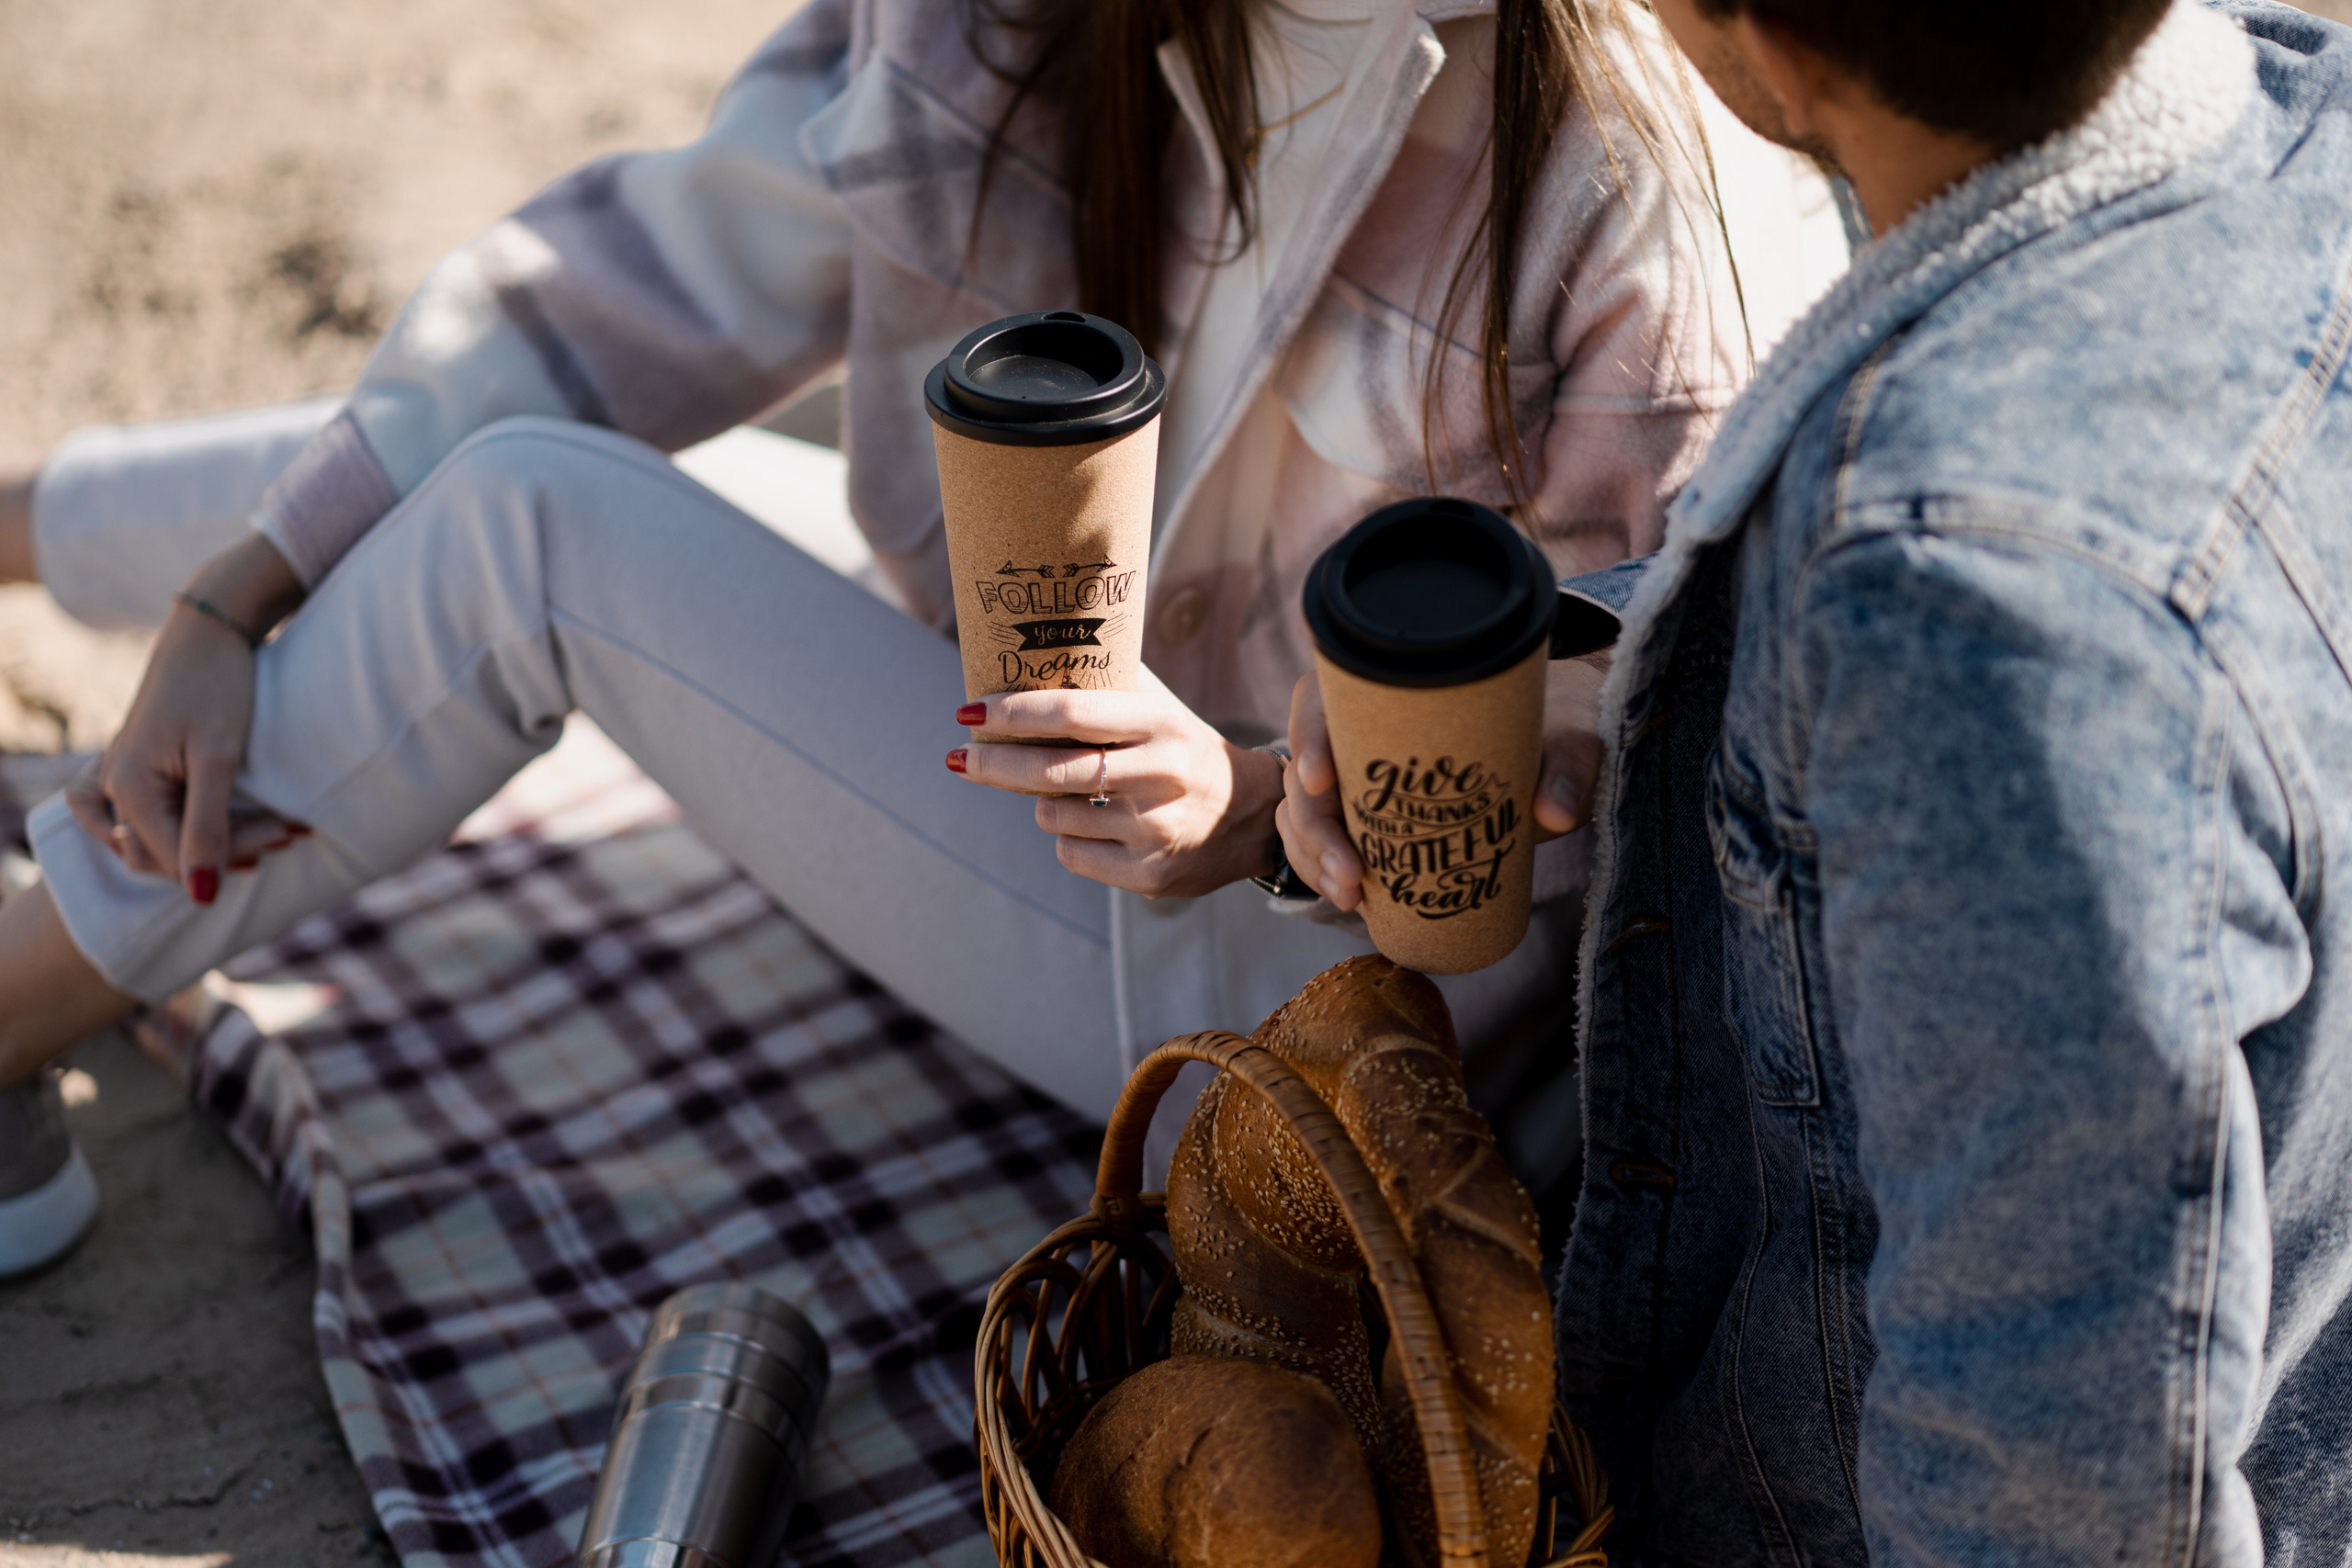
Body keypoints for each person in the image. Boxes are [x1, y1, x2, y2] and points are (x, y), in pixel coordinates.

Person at [0, 0, 1838, 1276]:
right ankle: (22, 526)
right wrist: (233, 590)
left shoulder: (1643, 174)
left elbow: (1669, 723)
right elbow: (633, 281)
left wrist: (1273, 800)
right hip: (1062, 763)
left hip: (1312, 1003)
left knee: (536, 522)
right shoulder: (999, 20)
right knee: (573, 440)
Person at [1279, 0, 2352, 1560]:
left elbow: (2050, 1501)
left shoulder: (1976, 619)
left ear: (1776, 51)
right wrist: (1638, 679)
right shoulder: (2302, 122)